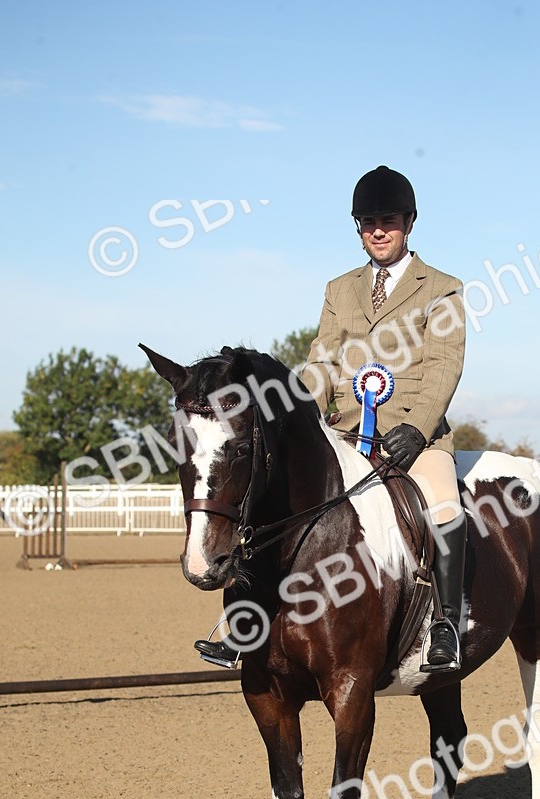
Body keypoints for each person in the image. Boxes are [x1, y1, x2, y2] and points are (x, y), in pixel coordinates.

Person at [195, 165, 466, 671]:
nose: (378, 231)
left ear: (409, 222)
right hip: (344, 431)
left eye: (387, 220)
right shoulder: (339, 289)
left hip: (413, 435)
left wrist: (418, 428)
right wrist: (295, 412)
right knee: (272, 500)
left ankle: (446, 623)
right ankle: (244, 623)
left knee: (444, 504)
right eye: (367, 222)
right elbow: (322, 363)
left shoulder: (443, 289)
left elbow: (445, 366)